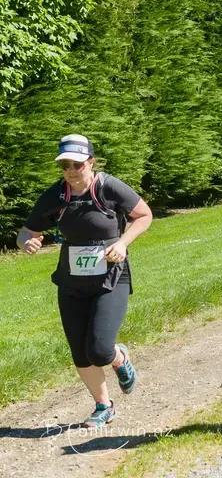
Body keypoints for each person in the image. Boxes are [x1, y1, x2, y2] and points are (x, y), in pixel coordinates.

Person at [17, 134, 153, 428]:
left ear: (90, 162)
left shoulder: (107, 187)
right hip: (71, 281)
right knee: (80, 350)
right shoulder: (56, 195)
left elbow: (143, 215)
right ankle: (104, 406)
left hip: (111, 276)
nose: (71, 170)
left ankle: (119, 359)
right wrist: (26, 242)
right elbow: (27, 231)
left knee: (100, 349)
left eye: (77, 164)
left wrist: (123, 243)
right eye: (65, 164)